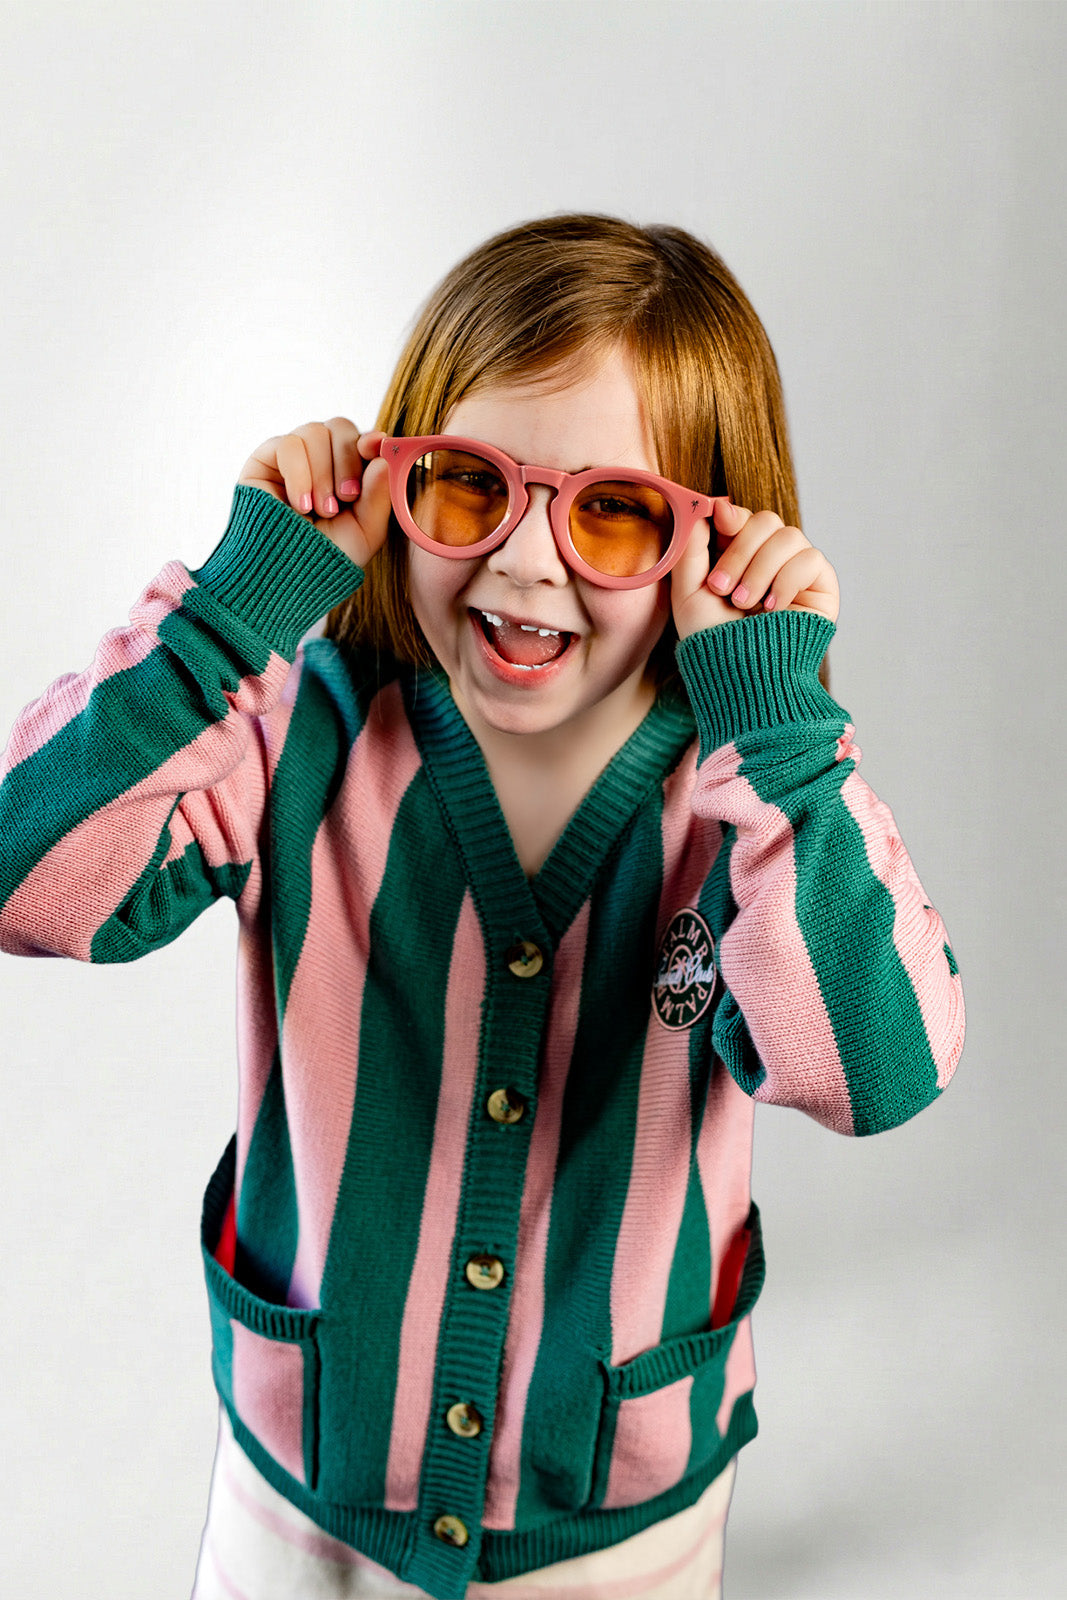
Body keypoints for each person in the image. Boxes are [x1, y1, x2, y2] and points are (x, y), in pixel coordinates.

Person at [0, 214, 964, 1600]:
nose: (522, 563)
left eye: (614, 512)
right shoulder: (292, 724)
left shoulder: (757, 792)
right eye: (468, 486)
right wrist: (231, 612)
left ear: (720, 546)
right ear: (397, 480)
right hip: (309, 1496)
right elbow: (25, 881)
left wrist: (787, 729)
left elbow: (876, 1072)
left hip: (616, 1518)